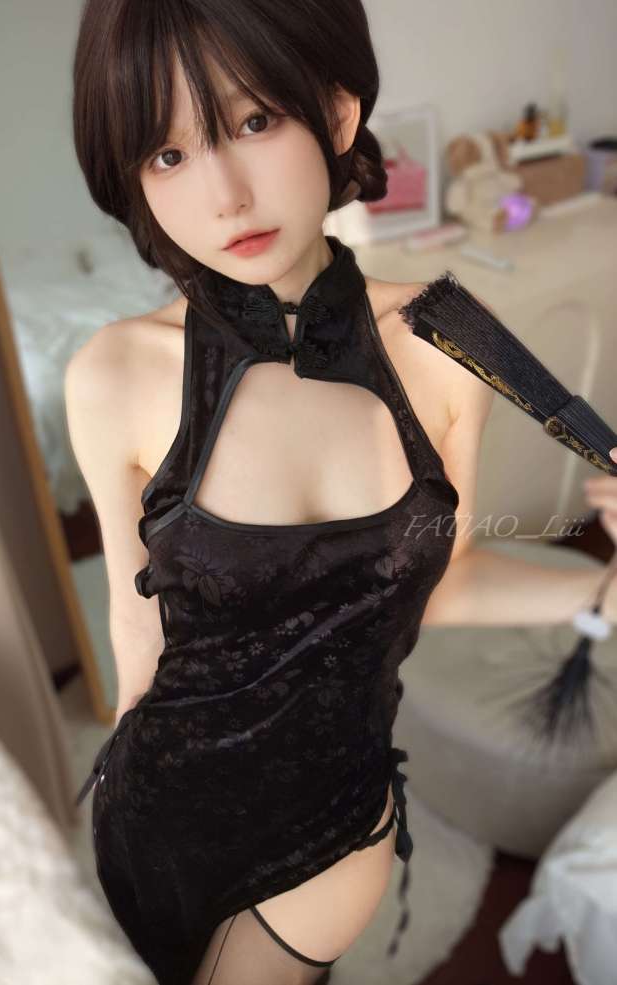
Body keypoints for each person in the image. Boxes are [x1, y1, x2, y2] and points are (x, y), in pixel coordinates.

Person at [66, 2, 617, 982]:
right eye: (168, 153)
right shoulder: (114, 374)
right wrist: (123, 794)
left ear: (336, 109)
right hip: (156, 810)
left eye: (252, 121)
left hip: (325, 830)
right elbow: (135, 628)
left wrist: (603, 593)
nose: (225, 197)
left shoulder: (446, 345)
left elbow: (442, 582)